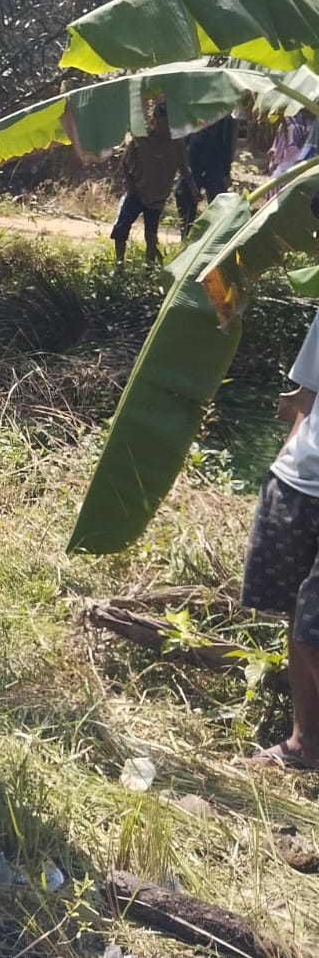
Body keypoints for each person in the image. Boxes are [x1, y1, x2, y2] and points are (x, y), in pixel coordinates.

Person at [236, 308, 319, 771]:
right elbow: (307, 395)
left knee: (314, 635)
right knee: (295, 617)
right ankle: (305, 742)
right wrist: (285, 460)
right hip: (298, 482)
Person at [112, 101, 193, 267]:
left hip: (158, 196)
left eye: (166, 124)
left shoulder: (176, 143)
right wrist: (131, 187)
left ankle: (149, 267)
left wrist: (194, 189)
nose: (162, 127)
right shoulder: (142, 138)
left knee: (151, 234)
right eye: (159, 122)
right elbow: (125, 164)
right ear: (153, 120)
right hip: (138, 191)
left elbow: (184, 168)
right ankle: (119, 264)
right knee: (121, 229)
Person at [179, 113, 236, 229]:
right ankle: (185, 235)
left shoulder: (225, 118)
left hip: (216, 165)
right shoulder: (193, 110)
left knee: (219, 202)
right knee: (185, 197)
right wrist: (182, 165)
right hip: (193, 162)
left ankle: (217, 234)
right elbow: (183, 139)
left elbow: (229, 144)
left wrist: (226, 172)